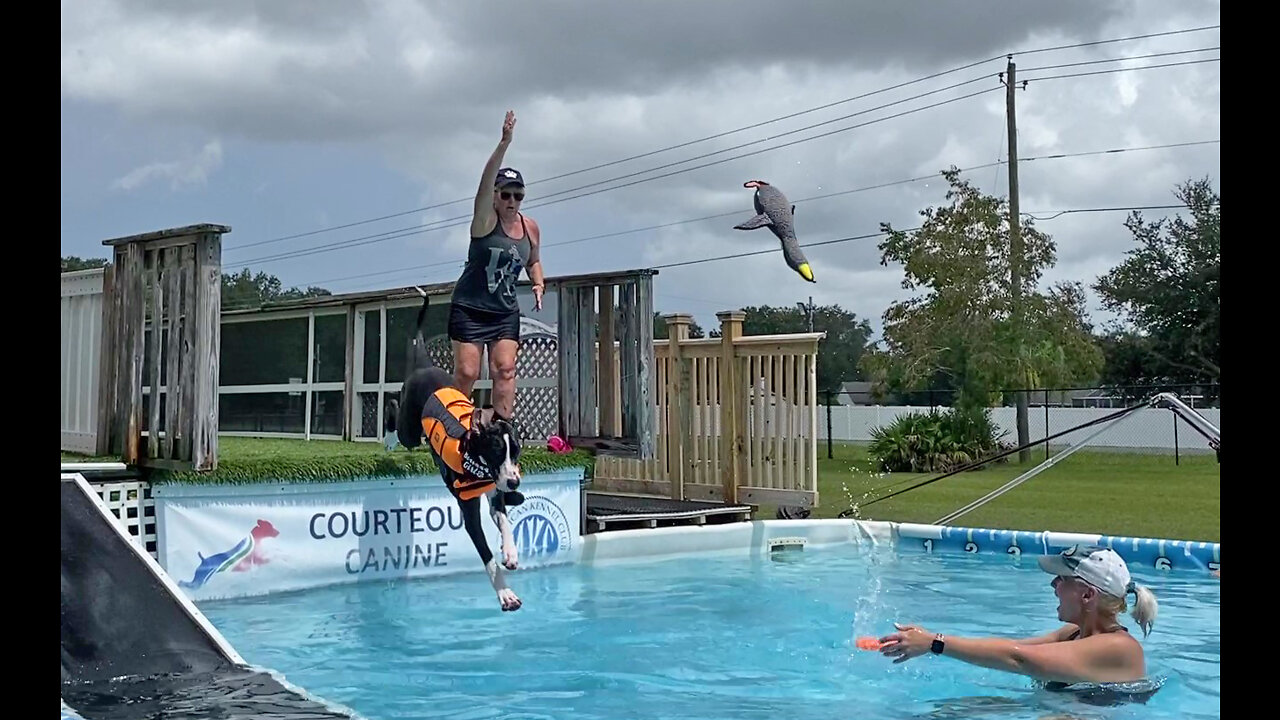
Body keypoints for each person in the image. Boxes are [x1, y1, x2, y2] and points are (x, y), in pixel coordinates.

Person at [878, 545, 1159, 688]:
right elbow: (1013, 647)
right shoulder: (1071, 635)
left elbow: (1020, 659)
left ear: (1087, 595)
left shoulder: (1119, 647)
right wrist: (924, 637)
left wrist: (935, 643)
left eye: (1061, 579)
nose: (1053, 586)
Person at [448, 109, 545, 423]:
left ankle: (500, 430)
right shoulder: (484, 221)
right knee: (467, 372)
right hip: (470, 307)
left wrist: (538, 283)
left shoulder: (529, 227)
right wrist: (504, 143)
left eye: (518, 195)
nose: (512, 201)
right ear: (495, 196)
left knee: (504, 369)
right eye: (506, 194)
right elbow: (484, 182)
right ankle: (455, 429)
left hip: (503, 310)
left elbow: (534, 260)